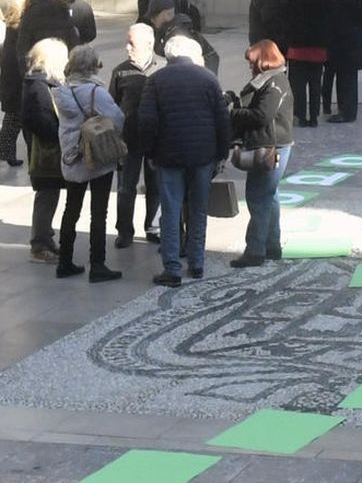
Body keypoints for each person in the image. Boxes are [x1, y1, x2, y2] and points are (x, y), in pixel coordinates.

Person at [137, 31, 231, 286]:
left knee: (171, 210)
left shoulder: (156, 80)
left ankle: (172, 268)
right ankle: (197, 262)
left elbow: (146, 121)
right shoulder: (209, 79)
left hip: (168, 155)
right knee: (199, 209)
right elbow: (222, 120)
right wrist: (222, 153)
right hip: (203, 155)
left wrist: (150, 152)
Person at [51, 47, 123, 281]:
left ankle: (65, 261)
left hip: (73, 156)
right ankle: (98, 264)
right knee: (98, 212)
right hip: (98, 156)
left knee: (71, 208)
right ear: (93, 66)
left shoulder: (62, 93)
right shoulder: (95, 92)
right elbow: (118, 119)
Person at [228, 39, 294, 267]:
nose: (250, 66)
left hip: (269, 146)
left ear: (262, 61)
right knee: (270, 196)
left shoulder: (273, 83)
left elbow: (261, 115)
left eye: (252, 62)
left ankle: (255, 250)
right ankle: (272, 246)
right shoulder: (275, 79)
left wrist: (234, 113)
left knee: (258, 198)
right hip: (276, 143)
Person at [110, 23, 160, 247]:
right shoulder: (121, 71)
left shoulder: (164, 67)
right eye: (127, 42)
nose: (127, 48)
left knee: (156, 184)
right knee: (125, 186)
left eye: (132, 43)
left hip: (156, 139)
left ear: (149, 44)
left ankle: (153, 227)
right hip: (128, 138)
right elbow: (112, 104)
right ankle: (124, 231)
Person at [20, 37, 68, 261]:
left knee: (49, 195)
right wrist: (57, 133)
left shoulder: (42, 82)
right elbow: (35, 119)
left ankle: (45, 238)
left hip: (48, 150)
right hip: (45, 152)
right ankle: (40, 243)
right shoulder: (38, 86)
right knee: (46, 196)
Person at [280, 0, 330, 129]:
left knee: (298, 85)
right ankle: (314, 116)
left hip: (297, 49)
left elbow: (286, 21)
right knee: (315, 84)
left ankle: (300, 115)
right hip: (318, 48)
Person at [322, 0, 362, 122]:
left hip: (348, 43)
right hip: (348, 42)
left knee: (347, 78)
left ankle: (347, 112)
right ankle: (344, 110)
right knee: (345, 78)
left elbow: (360, 14)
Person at [0, 0, 23, 167]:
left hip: (9, 80)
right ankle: (5, 151)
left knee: (12, 118)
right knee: (13, 119)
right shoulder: (17, 29)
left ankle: (6, 151)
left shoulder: (10, 27)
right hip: (15, 81)